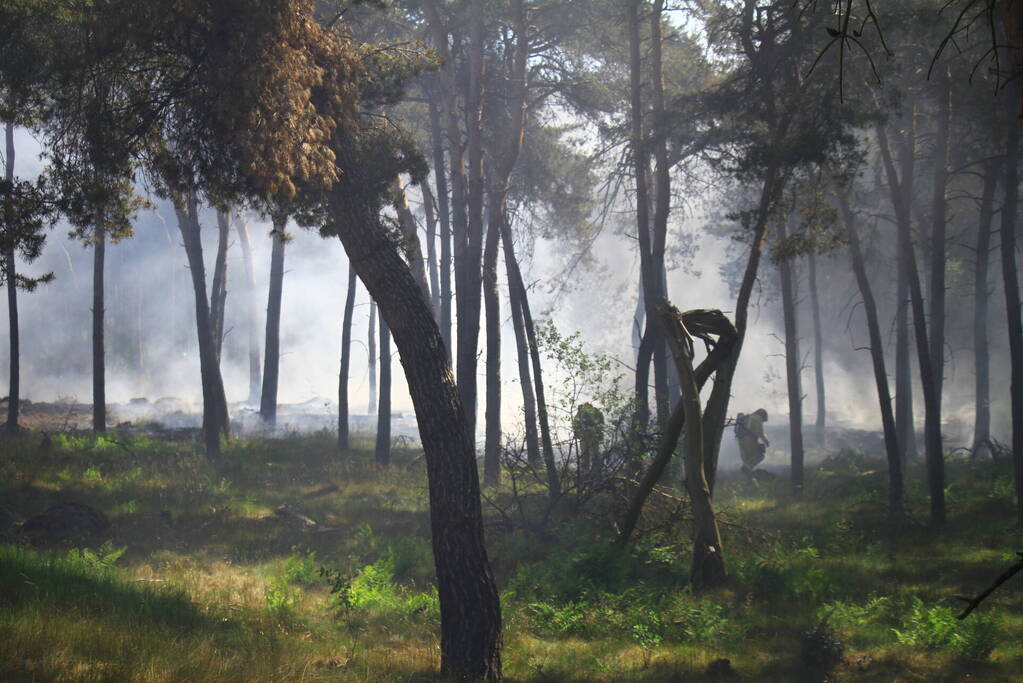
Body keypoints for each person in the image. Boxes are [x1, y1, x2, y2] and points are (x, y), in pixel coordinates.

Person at [736, 408, 769, 475]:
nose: (762, 421)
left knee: (747, 457)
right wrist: (766, 441)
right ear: (763, 415)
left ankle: (746, 472)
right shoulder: (758, 418)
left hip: (740, 439)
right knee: (760, 455)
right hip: (749, 439)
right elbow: (759, 432)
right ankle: (747, 469)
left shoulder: (749, 417)